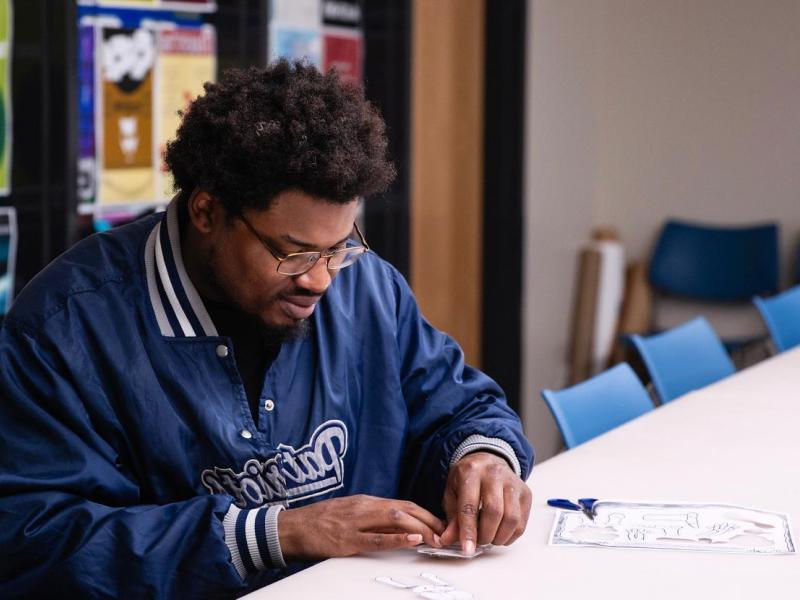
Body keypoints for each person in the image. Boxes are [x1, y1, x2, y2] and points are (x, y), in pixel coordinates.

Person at [0, 60, 533, 598]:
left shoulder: (367, 288)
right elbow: (36, 541)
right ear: (207, 211)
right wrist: (270, 535)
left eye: (341, 247)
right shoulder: (65, 328)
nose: (321, 280)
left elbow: (459, 405)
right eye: (294, 253)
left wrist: (482, 456)